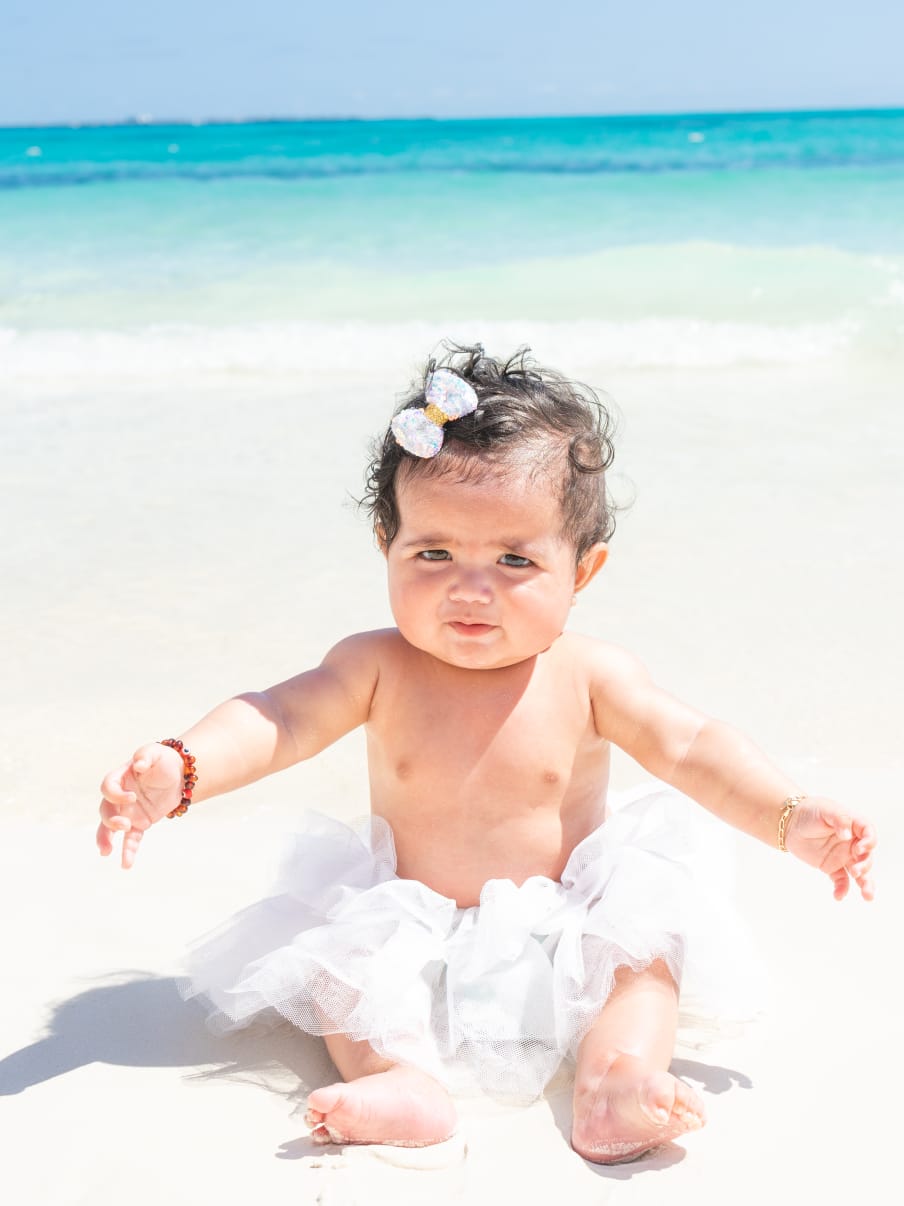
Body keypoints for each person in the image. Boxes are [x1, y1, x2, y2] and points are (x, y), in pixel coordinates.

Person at [97, 345, 876, 1164]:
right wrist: (183, 765)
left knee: (644, 950)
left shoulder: (590, 675)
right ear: (386, 544)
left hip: (568, 921)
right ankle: (401, 1079)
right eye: (433, 554)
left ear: (583, 570)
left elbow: (693, 746)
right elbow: (278, 718)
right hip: (411, 923)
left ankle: (615, 1079)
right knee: (338, 963)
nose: (470, 587)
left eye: (514, 560)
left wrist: (789, 815)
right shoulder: (375, 666)